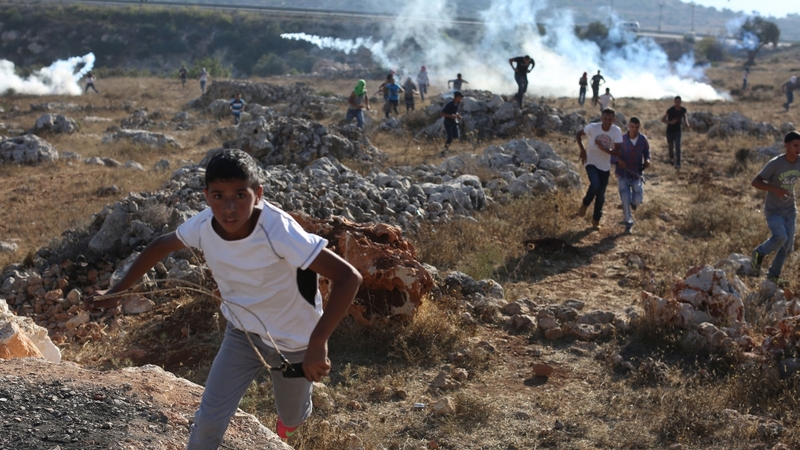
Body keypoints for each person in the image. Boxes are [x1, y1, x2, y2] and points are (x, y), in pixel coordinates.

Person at [84, 149, 362, 445]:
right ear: (206, 195)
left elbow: (348, 277)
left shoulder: (278, 231)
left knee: (291, 417)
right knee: (208, 421)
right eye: (218, 196)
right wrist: (116, 293)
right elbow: (160, 245)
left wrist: (317, 343)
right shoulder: (204, 226)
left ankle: (290, 422)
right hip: (242, 334)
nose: (229, 208)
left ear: (258, 194)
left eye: (240, 196)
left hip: (294, 343)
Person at [750, 131, 800, 284]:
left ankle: (773, 277)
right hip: (774, 211)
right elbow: (755, 182)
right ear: (786, 146)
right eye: (795, 145)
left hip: (790, 210)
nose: (799, 149)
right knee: (781, 237)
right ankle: (759, 252)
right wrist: (775, 189)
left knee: (787, 247)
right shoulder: (776, 163)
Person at [576, 108, 623, 230]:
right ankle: (585, 204)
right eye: (605, 119)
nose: (607, 122)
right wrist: (582, 150)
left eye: (610, 119)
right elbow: (578, 134)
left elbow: (618, 152)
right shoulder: (593, 127)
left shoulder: (616, 131)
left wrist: (604, 149)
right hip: (590, 161)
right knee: (595, 185)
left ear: (614, 119)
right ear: (601, 118)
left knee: (601, 195)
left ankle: (596, 220)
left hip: (605, 166)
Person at [611, 117, 650, 234]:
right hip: (623, 174)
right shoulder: (620, 139)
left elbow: (647, 152)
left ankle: (634, 203)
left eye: (637, 127)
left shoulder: (643, 139)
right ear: (628, 126)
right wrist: (618, 160)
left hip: (637, 174)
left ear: (639, 127)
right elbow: (612, 154)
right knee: (625, 198)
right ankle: (628, 222)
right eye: (632, 126)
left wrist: (647, 160)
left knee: (638, 199)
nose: (634, 129)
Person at [660, 96, 690, 169]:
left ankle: (678, 164)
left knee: (678, 146)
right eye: (676, 102)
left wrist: (686, 123)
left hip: (678, 131)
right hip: (670, 131)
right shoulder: (670, 110)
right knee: (670, 147)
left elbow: (684, 116)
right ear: (674, 102)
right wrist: (670, 122)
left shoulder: (683, 110)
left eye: (679, 102)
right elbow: (663, 119)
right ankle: (672, 159)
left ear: (681, 102)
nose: (677, 103)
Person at [441, 90, 463, 155]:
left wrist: (458, 115)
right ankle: (444, 151)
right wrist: (450, 116)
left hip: (454, 122)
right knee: (450, 137)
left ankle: (455, 151)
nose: (461, 99)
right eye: (460, 97)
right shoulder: (449, 104)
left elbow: (455, 111)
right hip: (448, 123)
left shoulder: (458, 103)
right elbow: (442, 113)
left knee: (456, 136)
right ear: (456, 97)